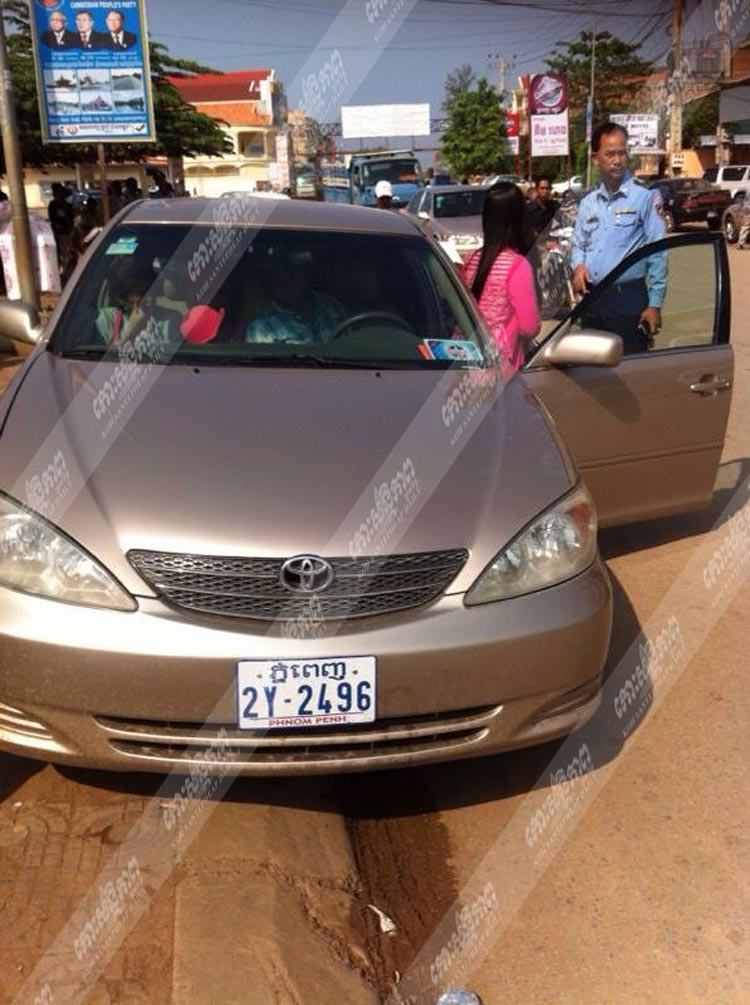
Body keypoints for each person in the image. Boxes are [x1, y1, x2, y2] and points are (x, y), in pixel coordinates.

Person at [571, 120, 667, 354]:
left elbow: (658, 252)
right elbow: (579, 244)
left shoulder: (644, 198)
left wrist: (655, 304)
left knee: (630, 367)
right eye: (609, 154)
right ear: (595, 158)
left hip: (628, 300)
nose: (617, 160)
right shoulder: (588, 203)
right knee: (591, 366)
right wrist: (578, 266)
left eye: (622, 153)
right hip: (593, 299)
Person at [461, 182, 541, 373]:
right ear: (520, 218)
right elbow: (529, 327)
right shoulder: (518, 266)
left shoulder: (472, 259)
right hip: (501, 368)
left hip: (467, 358)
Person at [245, 255, 345, 344]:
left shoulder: (330, 304)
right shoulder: (262, 327)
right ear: (269, 288)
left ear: (303, 275)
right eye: (280, 284)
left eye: (293, 278)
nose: (289, 288)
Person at [47, 183, 74, 265]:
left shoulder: (67, 205)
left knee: (67, 252)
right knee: (60, 252)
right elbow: (52, 218)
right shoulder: (53, 205)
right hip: (58, 232)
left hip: (67, 231)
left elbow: (71, 218)